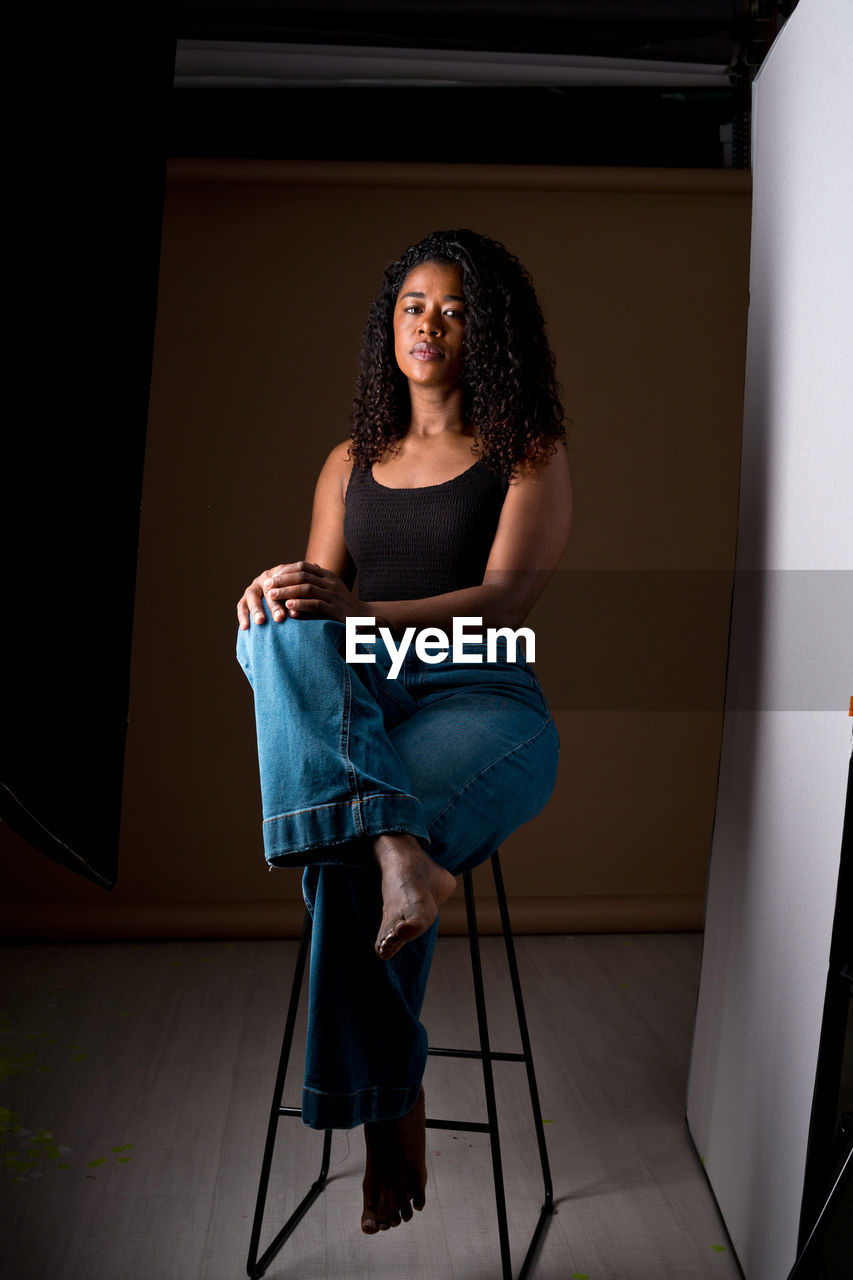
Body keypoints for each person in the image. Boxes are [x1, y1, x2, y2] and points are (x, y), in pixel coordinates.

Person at [236, 228, 573, 1237]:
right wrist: (281, 596)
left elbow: (507, 599)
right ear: (390, 325)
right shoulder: (349, 460)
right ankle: (397, 853)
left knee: (339, 848)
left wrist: (348, 612)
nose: (429, 323)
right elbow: (314, 614)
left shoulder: (527, 450)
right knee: (271, 622)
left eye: (456, 308)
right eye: (413, 305)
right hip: (365, 711)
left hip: (482, 701)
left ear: (489, 332)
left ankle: (383, 1106)